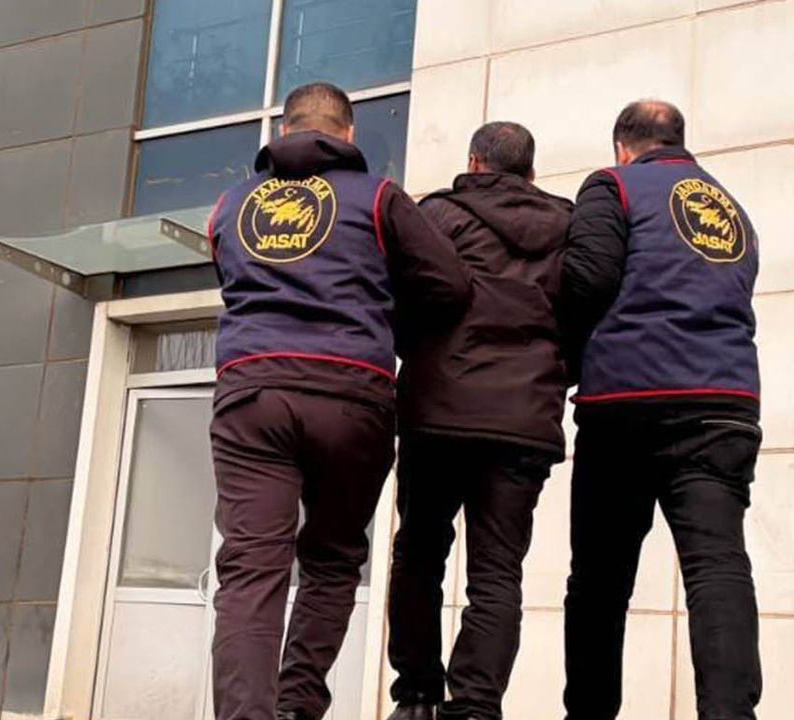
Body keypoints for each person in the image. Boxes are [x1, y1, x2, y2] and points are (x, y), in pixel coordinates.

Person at [208, 82, 471, 720]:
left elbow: (231, 279)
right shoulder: (378, 198)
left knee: (251, 571)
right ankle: (297, 708)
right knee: (330, 561)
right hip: (352, 395)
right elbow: (451, 284)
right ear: (348, 134)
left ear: (284, 130)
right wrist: (383, 318)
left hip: (253, 393)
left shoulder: (229, 207)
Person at [558, 100, 764, 720]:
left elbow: (586, 280)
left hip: (627, 403)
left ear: (622, 147)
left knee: (599, 580)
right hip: (723, 404)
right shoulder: (730, 206)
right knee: (717, 569)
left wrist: (567, 360)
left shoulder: (613, 185)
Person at [385, 122, 573, 720]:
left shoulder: (436, 216)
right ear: (531, 172)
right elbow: (585, 310)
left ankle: (417, 695)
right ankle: (474, 707)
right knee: (497, 572)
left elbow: (400, 300)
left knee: (419, 552)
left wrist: (417, 356)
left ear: (473, 162)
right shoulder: (569, 227)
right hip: (522, 421)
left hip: (437, 415)